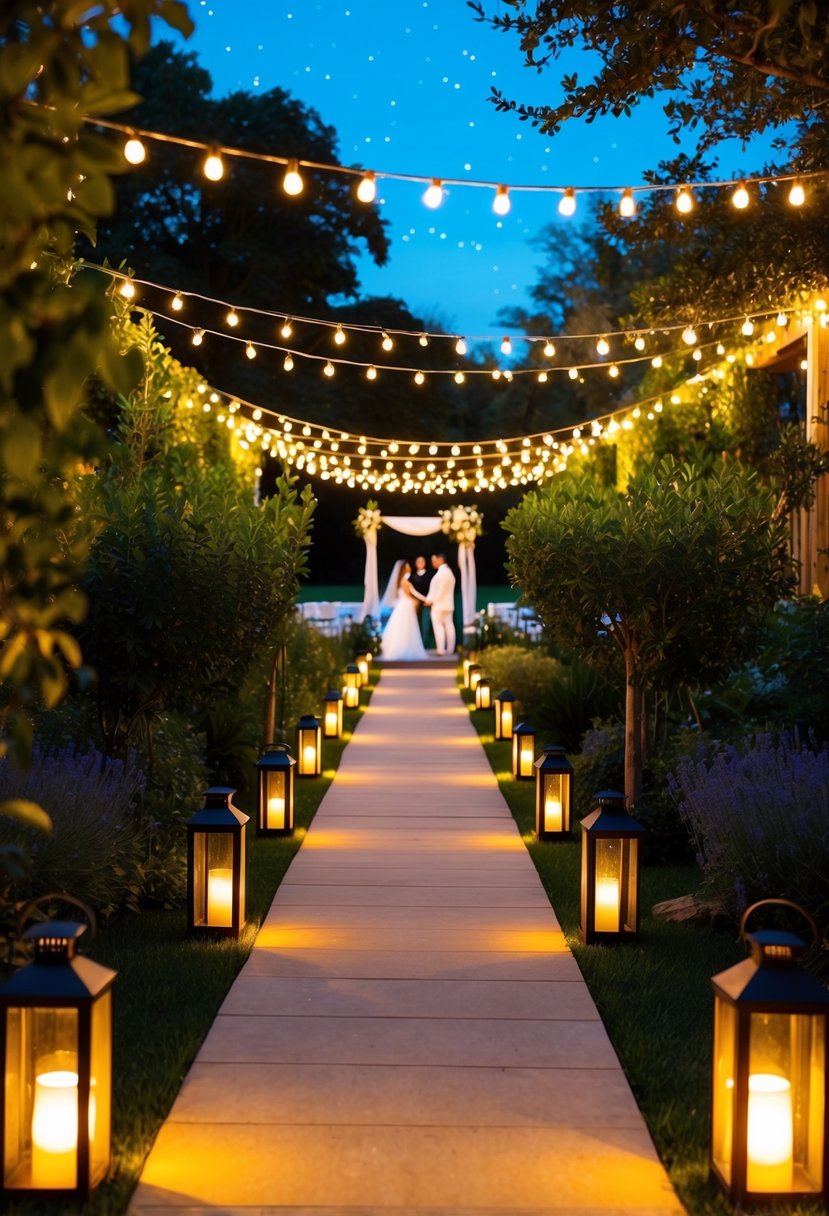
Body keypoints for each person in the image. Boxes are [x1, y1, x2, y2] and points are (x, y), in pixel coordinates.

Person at [380, 560, 428, 661]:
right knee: (407, 628)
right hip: (406, 606)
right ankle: (405, 648)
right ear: (404, 569)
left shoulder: (399, 582)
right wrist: (424, 600)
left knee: (401, 627)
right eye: (407, 567)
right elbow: (411, 594)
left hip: (402, 605)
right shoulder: (405, 582)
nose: (409, 568)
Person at [425, 553, 457, 655]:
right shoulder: (449, 573)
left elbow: (440, 590)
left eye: (434, 560)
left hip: (438, 605)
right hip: (448, 605)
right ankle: (450, 649)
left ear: (440, 560)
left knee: (439, 627)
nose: (433, 562)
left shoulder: (442, 573)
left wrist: (431, 600)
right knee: (449, 625)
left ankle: (441, 650)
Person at [408, 554, 434, 644]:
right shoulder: (412, 577)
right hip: (415, 603)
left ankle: (425, 641)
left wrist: (428, 599)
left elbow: (432, 588)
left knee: (426, 623)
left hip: (428, 602)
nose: (420, 563)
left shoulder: (430, 575)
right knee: (416, 622)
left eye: (422, 561)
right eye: (418, 562)